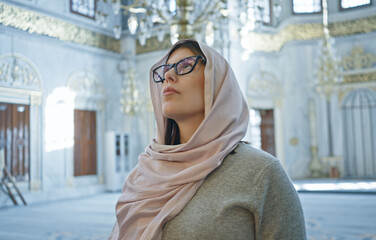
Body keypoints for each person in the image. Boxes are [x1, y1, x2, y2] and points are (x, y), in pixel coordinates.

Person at [109, 39, 306, 240]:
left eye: (185, 66)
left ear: (216, 82)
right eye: (165, 70)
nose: (168, 75)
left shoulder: (261, 173)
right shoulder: (145, 171)